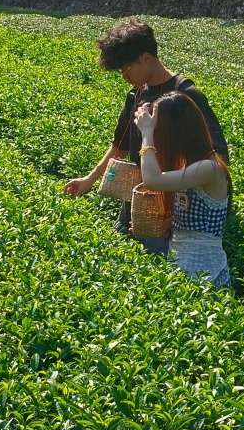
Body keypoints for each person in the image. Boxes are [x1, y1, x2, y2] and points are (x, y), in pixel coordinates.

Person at [64, 18, 228, 254]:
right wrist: (87, 181)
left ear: (146, 58)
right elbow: (118, 147)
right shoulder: (136, 94)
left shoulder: (185, 96)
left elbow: (215, 154)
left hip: (173, 211)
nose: (123, 76)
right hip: (136, 201)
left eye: (125, 70)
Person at [134, 91, 231, 286]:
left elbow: (152, 180)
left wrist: (146, 133)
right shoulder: (188, 165)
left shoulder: (209, 168)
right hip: (181, 265)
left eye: (160, 133)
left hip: (205, 273)